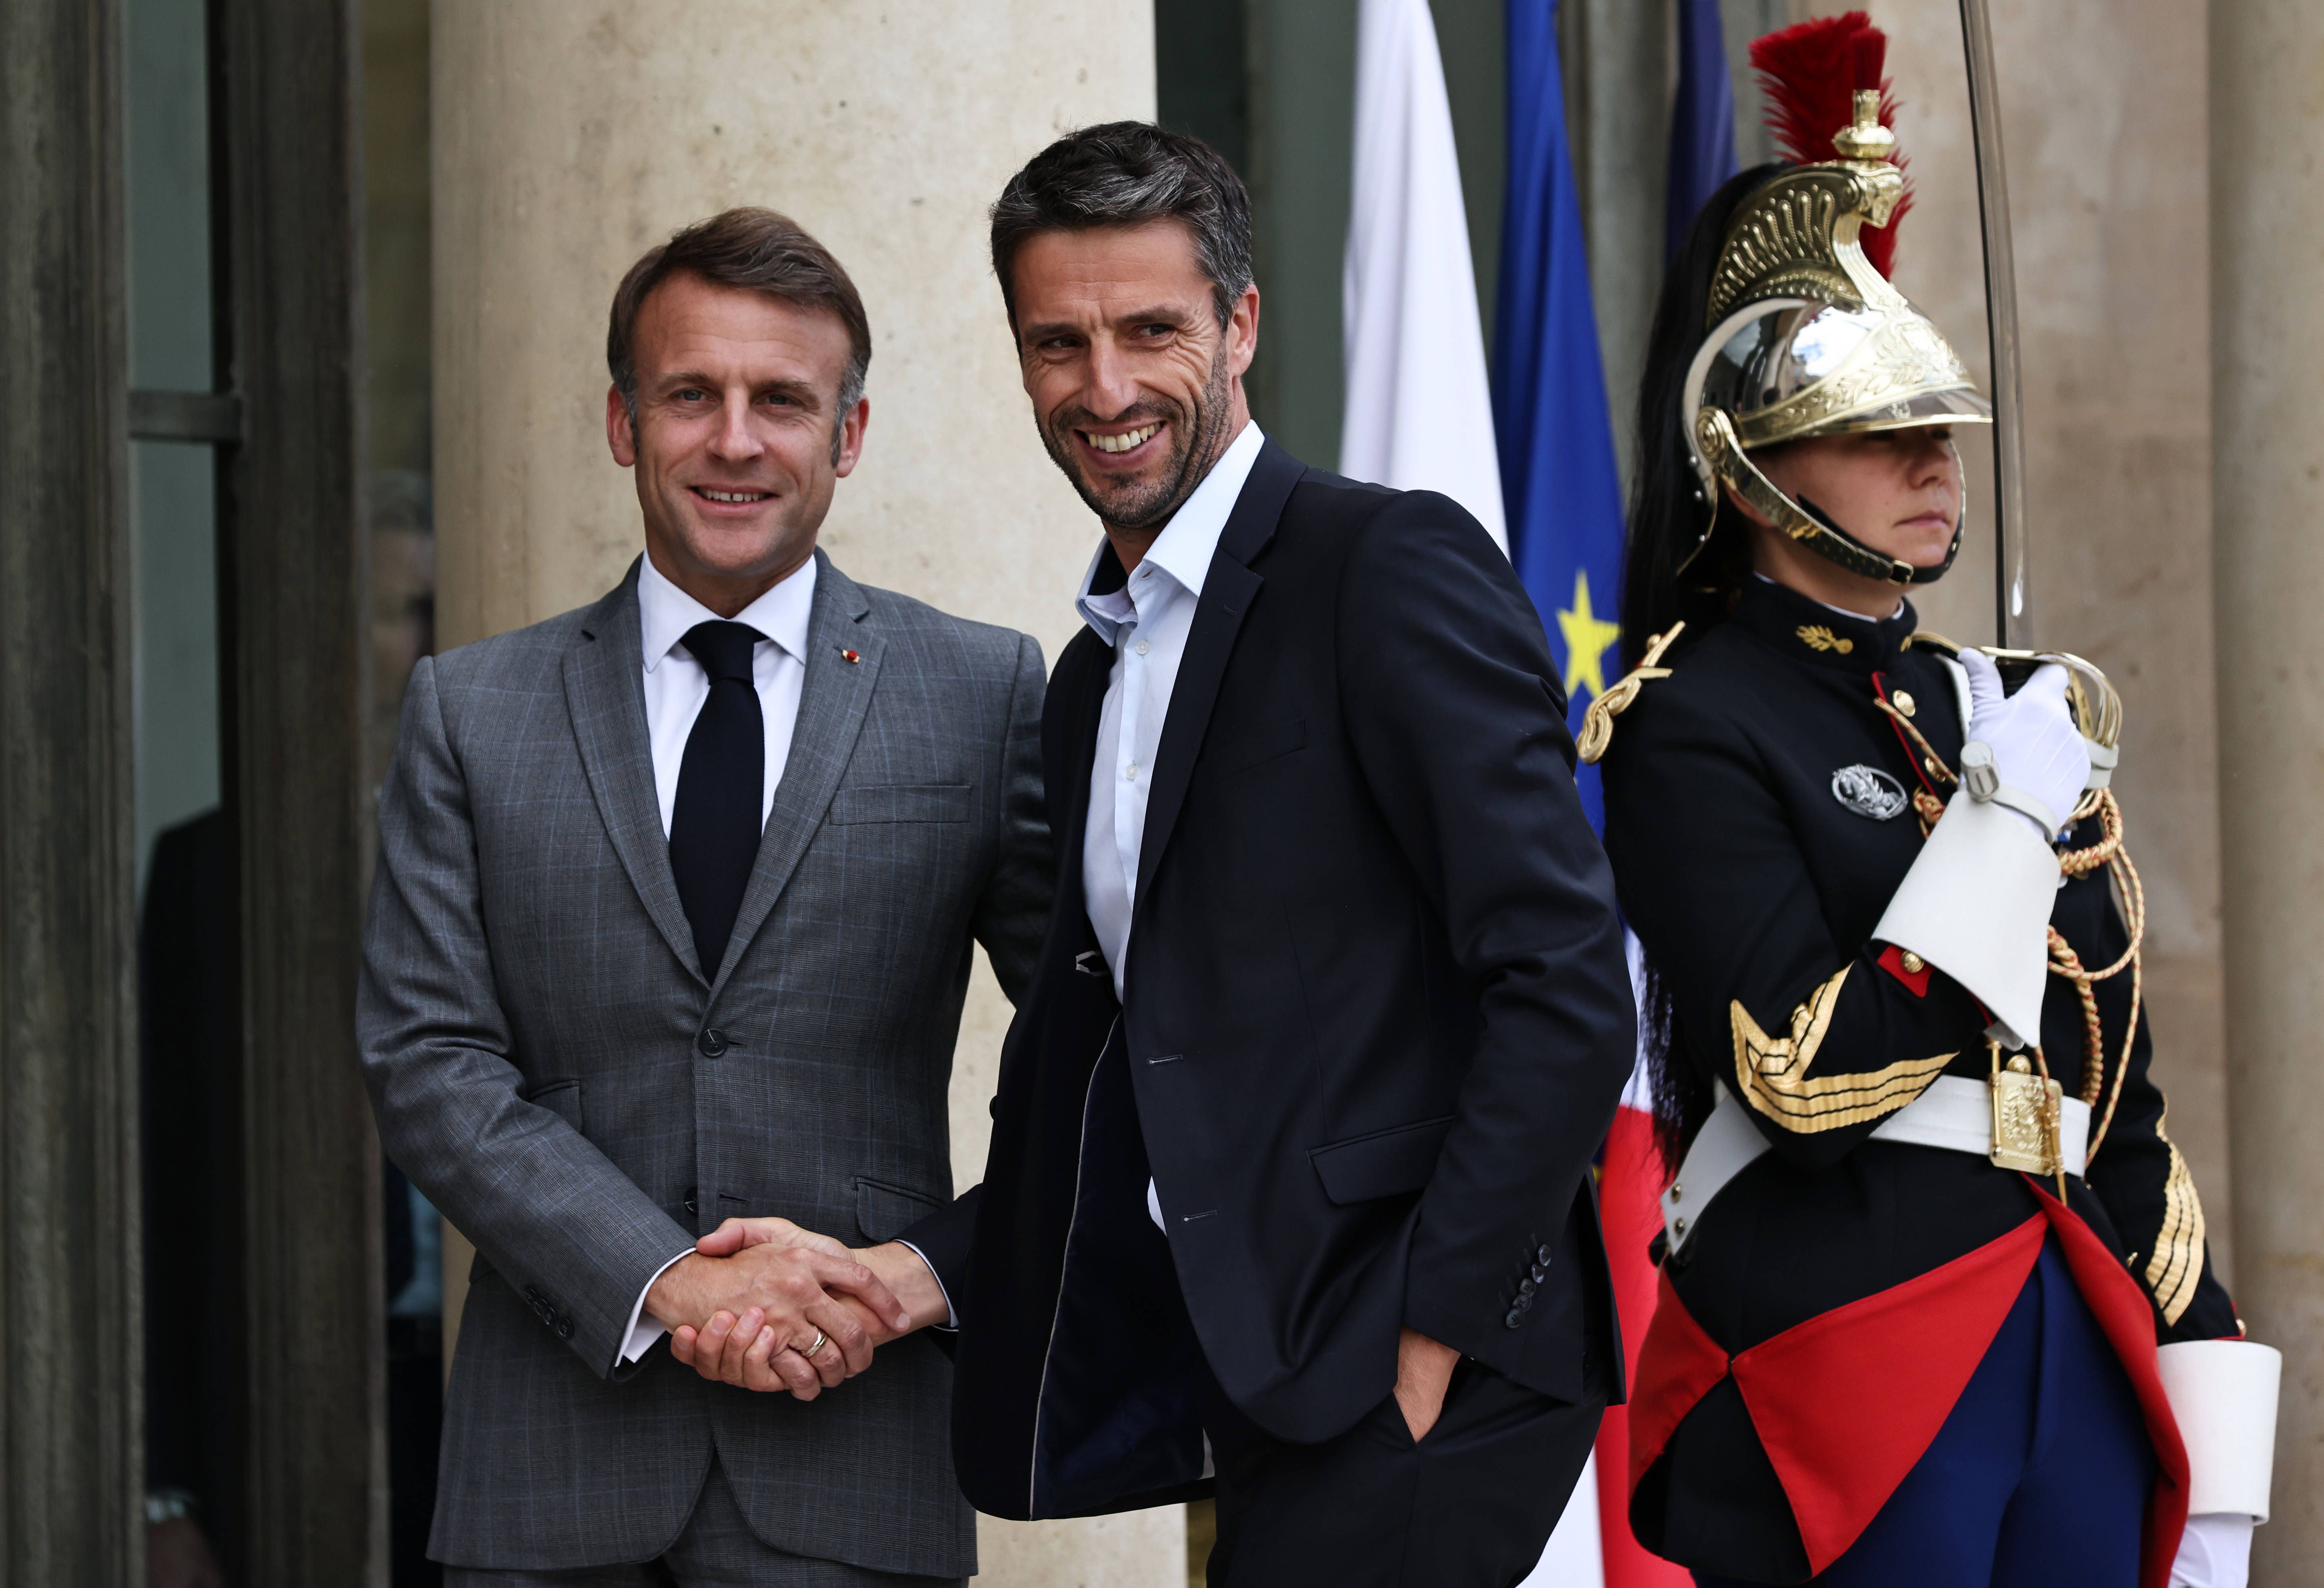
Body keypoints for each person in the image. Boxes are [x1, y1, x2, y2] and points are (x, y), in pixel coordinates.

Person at [674, 122, 1636, 1586]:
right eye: (1058, 343)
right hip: (1261, 1371)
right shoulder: (1091, 679)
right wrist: (916, 1274)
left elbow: (1563, 978)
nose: (1104, 389)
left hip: (1413, 1366)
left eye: (1149, 331)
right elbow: (1118, 1079)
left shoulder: (1380, 568)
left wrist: (1435, 1328)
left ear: (1239, 326)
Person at [1588, 18, 2278, 1588]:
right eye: (1874, 433)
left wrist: (2209, 1409)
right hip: (1850, 1334)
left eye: (1938, 431)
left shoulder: (1998, 706)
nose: (1930, 465)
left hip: (2073, 1322)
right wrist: (2000, 831)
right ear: (1750, 463)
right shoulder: (1690, 719)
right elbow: (1799, 1064)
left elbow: (2116, 1082)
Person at [357, 206, 1051, 1587]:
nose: (735, 440)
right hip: (547, 1481)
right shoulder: (471, 709)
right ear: (625, 423)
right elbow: (426, 1060)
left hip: (853, 1450)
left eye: (781, 401)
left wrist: (923, 1271)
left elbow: (1096, 1057)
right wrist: (671, 1280)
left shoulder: (981, 695)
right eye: (691, 394)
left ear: (846, 437)